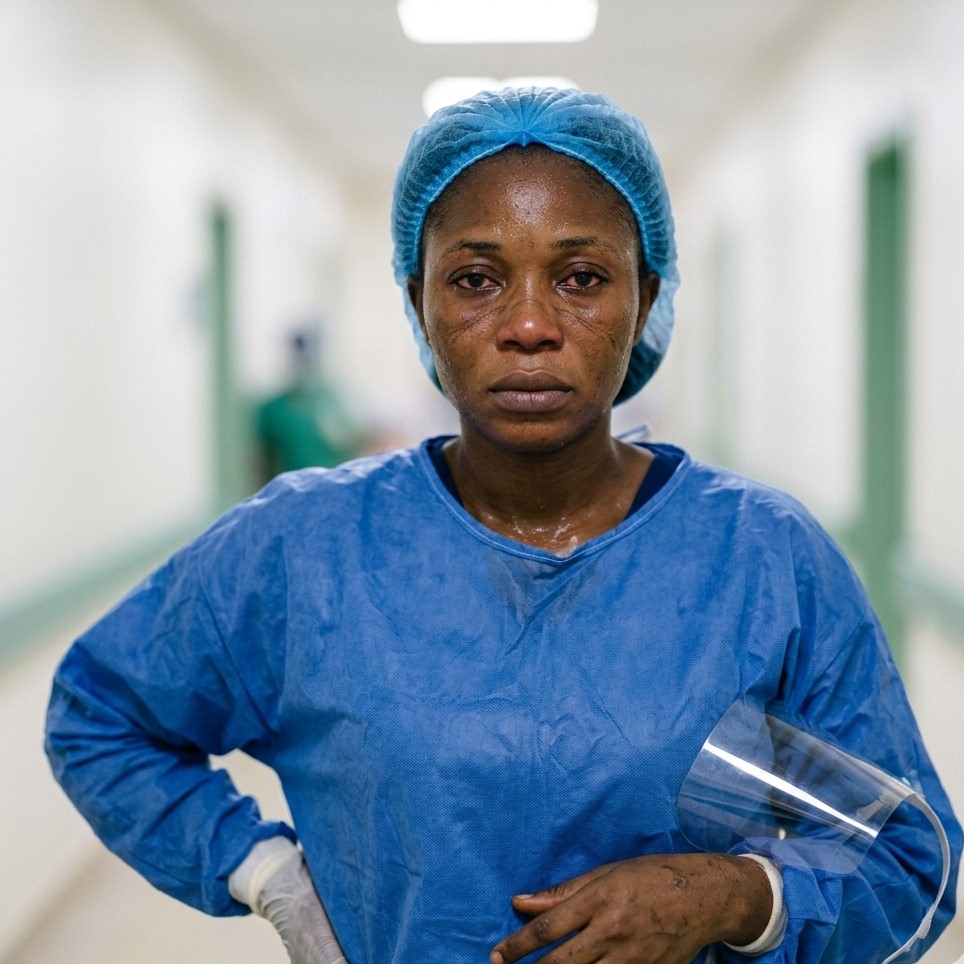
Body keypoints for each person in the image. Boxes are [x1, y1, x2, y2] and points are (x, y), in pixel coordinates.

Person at [45, 87, 960, 963]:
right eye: (477, 279)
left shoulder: (761, 563)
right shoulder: (302, 552)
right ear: (419, 303)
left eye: (581, 277)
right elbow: (100, 714)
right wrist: (268, 873)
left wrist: (736, 895)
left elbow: (908, 861)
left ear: (645, 297)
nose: (528, 324)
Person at [255, 326, 365, 482]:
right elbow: (261, 461)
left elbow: (356, 445)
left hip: (331, 490)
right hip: (289, 492)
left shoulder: (334, 402)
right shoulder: (274, 409)